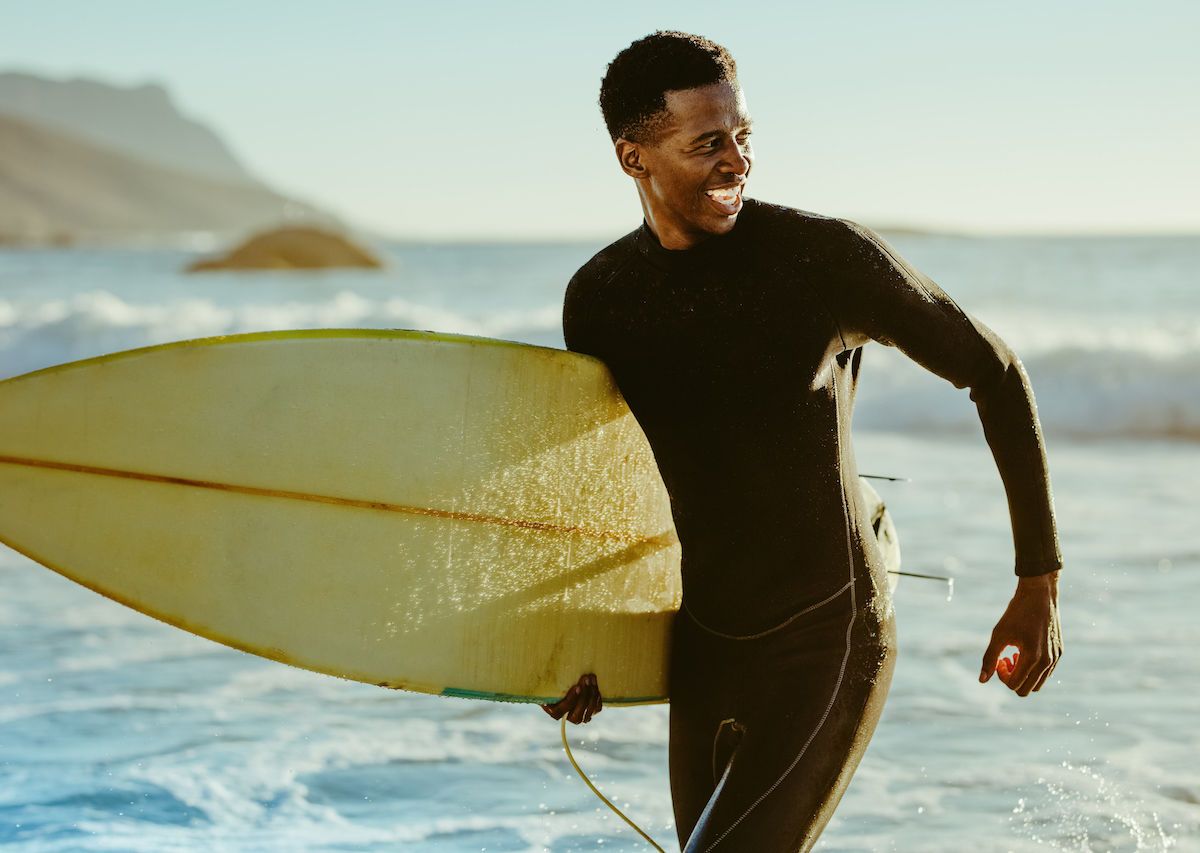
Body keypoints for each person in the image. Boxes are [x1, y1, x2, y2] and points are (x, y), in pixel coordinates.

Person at [541, 31, 1063, 851]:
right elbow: (614, 485)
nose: (737, 161)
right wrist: (578, 642)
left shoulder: (821, 261)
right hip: (707, 643)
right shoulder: (602, 298)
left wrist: (1039, 580)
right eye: (707, 143)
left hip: (830, 629)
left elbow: (993, 371)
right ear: (632, 156)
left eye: (743, 136)